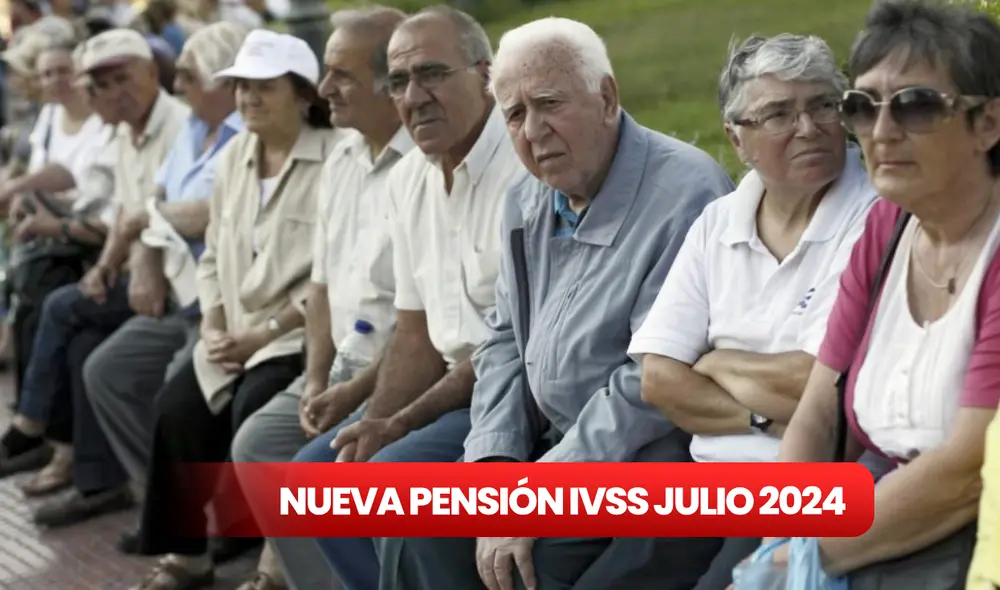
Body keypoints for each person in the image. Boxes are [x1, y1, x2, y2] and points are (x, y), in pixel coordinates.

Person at [379, 18, 734, 590]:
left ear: (607, 98)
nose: (533, 132)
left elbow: (648, 384)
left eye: (549, 104)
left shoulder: (685, 193)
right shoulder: (529, 195)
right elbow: (503, 341)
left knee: (525, 568)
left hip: (643, 452)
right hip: (550, 441)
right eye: (515, 115)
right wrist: (495, 466)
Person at [760, 0, 1000, 583]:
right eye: (861, 107)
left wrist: (806, 561)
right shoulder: (887, 227)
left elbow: (968, 469)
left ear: (988, 123)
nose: (883, 132)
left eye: (916, 106)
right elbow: (818, 410)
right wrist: (785, 537)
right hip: (866, 511)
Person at [627, 33, 878, 590]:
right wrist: (762, 418)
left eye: (822, 106)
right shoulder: (718, 221)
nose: (809, 128)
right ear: (736, 140)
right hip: (702, 475)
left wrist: (715, 363)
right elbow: (661, 380)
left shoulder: (875, 216)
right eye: (779, 115)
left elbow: (823, 388)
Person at [290, 6, 524, 590]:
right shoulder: (409, 178)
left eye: (433, 74)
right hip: (450, 389)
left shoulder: (526, 168)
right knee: (317, 479)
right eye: (399, 81)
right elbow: (415, 333)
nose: (414, 96)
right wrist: (373, 422)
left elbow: (516, 345)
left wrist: (398, 425)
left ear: (484, 75)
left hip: (513, 392)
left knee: (389, 483)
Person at [128, 29, 340, 590]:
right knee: (176, 407)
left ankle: (275, 564)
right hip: (232, 333)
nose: (247, 98)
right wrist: (215, 324)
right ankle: (188, 557)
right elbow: (213, 257)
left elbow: (332, 278)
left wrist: (262, 333)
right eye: (241, 86)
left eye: (263, 87)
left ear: (302, 94)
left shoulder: (335, 160)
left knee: (256, 407)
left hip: (297, 336)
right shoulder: (234, 157)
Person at [29, 21, 249, 529]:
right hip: (174, 289)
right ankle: (159, 502)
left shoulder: (217, 128)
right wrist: (128, 255)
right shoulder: (192, 127)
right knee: (96, 358)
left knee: (66, 311)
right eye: (99, 85)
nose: (179, 84)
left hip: (214, 302)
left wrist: (133, 235)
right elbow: (147, 208)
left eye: (188, 75)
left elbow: (199, 213)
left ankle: (43, 436)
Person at [229, 7, 411, 590]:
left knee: (320, 477)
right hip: (338, 368)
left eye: (342, 75)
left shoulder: (422, 163)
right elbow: (322, 287)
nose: (325, 89)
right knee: (256, 446)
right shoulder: (344, 157)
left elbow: (425, 325)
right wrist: (312, 379)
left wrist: (356, 392)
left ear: (390, 84)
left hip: (396, 370)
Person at [0, 28, 189, 481]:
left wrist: (110, 259)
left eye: (121, 79)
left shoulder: (179, 126)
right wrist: (106, 265)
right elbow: (124, 213)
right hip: (131, 272)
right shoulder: (125, 132)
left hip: (178, 287)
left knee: (57, 301)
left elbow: (148, 218)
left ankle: (34, 427)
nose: (111, 94)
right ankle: (95, 477)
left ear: (150, 72)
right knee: (83, 343)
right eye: (101, 85)